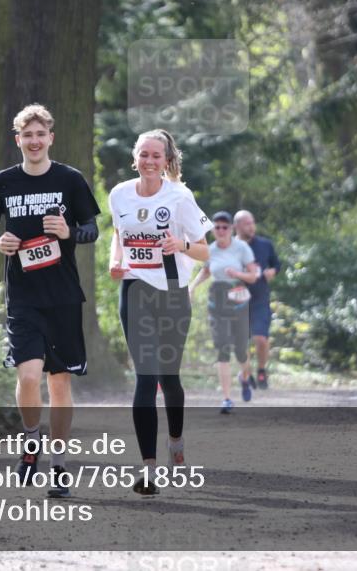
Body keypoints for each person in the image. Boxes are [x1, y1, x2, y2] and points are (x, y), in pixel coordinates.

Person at [0, 104, 100, 497]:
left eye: (39, 134)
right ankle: (32, 440)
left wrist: (68, 231)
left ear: (50, 137)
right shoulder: (3, 182)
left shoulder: (70, 179)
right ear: (19, 140)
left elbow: (91, 229)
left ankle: (59, 466)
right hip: (24, 296)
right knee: (28, 377)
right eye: (26, 135)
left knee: (59, 383)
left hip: (63, 295)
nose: (33, 141)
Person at [108, 129, 210, 496]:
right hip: (135, 291)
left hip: (172, 294)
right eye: (144, 155)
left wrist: (180, 243)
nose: (150, 162)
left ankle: (176, 443)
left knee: (169, 379)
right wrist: (115, 261)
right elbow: (119, 234)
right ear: (134, 158)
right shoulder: (119, 193)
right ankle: (147, 468)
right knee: (145, 376)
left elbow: (203, 251)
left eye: (157, 156)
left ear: (166, 161)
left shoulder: (180, 197)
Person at [189, 211, 260, 414]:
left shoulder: (242, 248)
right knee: (222, 349)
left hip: (238, 297)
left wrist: (237, 273)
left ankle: (245, 377)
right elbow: (206, 270)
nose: (220, 230)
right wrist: (192, 287)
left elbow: (253, 276)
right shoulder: (209, 250)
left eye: (224, 227)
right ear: (213, 230)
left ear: (231, 229)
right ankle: (227, 398)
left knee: (240, 350)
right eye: (217, 227)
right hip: (217, 299)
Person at [233, 210, 281, 389]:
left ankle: (261, 371)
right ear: (236, 226)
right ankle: (245, 373)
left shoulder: (264, 245)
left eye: (252, 222)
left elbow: (277, 264)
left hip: (260, 299)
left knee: (260, 338)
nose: (251, 226)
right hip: (236, 300)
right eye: (247, 223)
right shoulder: (228, 247)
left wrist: (272, 271)